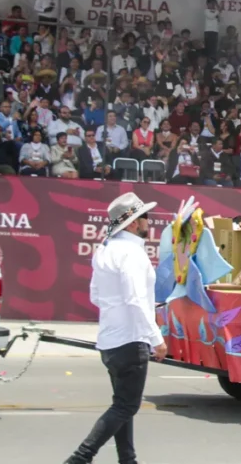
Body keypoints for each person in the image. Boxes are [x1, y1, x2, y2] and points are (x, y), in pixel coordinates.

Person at [64, 193, 166, 464]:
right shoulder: (132, 253)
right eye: (144, 217)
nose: (148, 222)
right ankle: (79, 459)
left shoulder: (105, 249)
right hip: (131, 340)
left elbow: (96, 296)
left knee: (123, 405)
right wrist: (156, 338)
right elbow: (134, 299)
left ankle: (128, 460)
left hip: (110, 340)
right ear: (133, 224)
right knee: (126, 406)